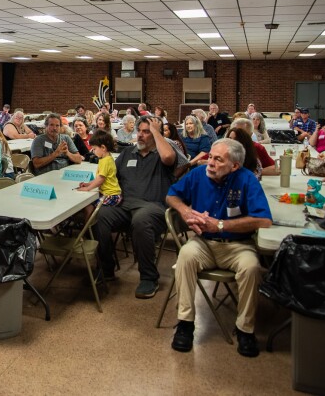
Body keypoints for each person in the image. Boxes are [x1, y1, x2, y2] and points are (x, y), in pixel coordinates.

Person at [166, 138, 273, 357]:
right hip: (204, 243)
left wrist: (221, 225)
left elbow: (264, 220)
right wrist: (185, 211)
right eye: (210, 157)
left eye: (217, 159)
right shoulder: (198, 174)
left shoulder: (247, 180)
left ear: (234, 166)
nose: (210, 163)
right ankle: (185, 324)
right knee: (185, 255)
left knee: (252, 268)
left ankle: (245, 329)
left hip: (238, 245)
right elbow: (171, 195)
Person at [93, 116, 188, 296]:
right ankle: (106, 268)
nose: (142, 136)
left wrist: (156, 130)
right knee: (100, 215)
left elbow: (168, 157)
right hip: (124, 205)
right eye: (140, 131)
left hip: (153, 207)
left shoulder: (162, 154)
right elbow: (111, 177)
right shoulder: (128, 153)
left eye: (147, 132)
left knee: (141, 220)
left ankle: (149, 278)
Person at [76, 130, 121, 221]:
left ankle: (89, 228)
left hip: (111, 195)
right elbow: (99, 178)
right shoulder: (105, 158)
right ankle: (89, 227)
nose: (93, 151)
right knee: (89, 203)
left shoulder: (106, 161)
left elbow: (100, 180)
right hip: (108, 193)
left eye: (95, 149)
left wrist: (88, 188)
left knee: (89, 204)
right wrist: (88, 184)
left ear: (103, 148)